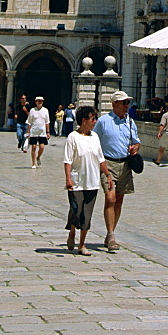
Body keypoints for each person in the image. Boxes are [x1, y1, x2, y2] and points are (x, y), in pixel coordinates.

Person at [93, 90, 140, 252]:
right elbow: (94, 141)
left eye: (128, 103)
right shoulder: (103, 121)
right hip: (108, 164)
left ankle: (110, 232)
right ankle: (111, 234)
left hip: (125, 164)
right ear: (114, 104)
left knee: (119, 199)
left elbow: (136, 141)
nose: (127, 106)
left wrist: (135, 148)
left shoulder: (130, 122)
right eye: (123, 103)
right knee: (110, 198)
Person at [63, 105, 113, 255]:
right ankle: (72, 232)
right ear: (84, 120)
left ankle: (82, 245)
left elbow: (100, 159)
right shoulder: (73, 137)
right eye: (93, 119)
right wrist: (68, 178)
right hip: (77, 181)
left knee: (87, 214)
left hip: (92, 182)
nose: (95, 121)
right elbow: (68, 160)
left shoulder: (95, 137)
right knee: (76, 210)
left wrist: (108, 175)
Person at [25, 95, 50, 168]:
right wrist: (28, 132)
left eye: (41, 101)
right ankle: (33, 163)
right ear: (35, 102)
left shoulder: (45, 110)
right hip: (34, 131)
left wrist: (48, 132)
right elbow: (29, 122)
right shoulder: (32, 110)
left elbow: (47, 122)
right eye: (38, 101)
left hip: (42, 132)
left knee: (42, 147)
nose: (40, 102)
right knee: (33, 147)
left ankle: (38, 157)